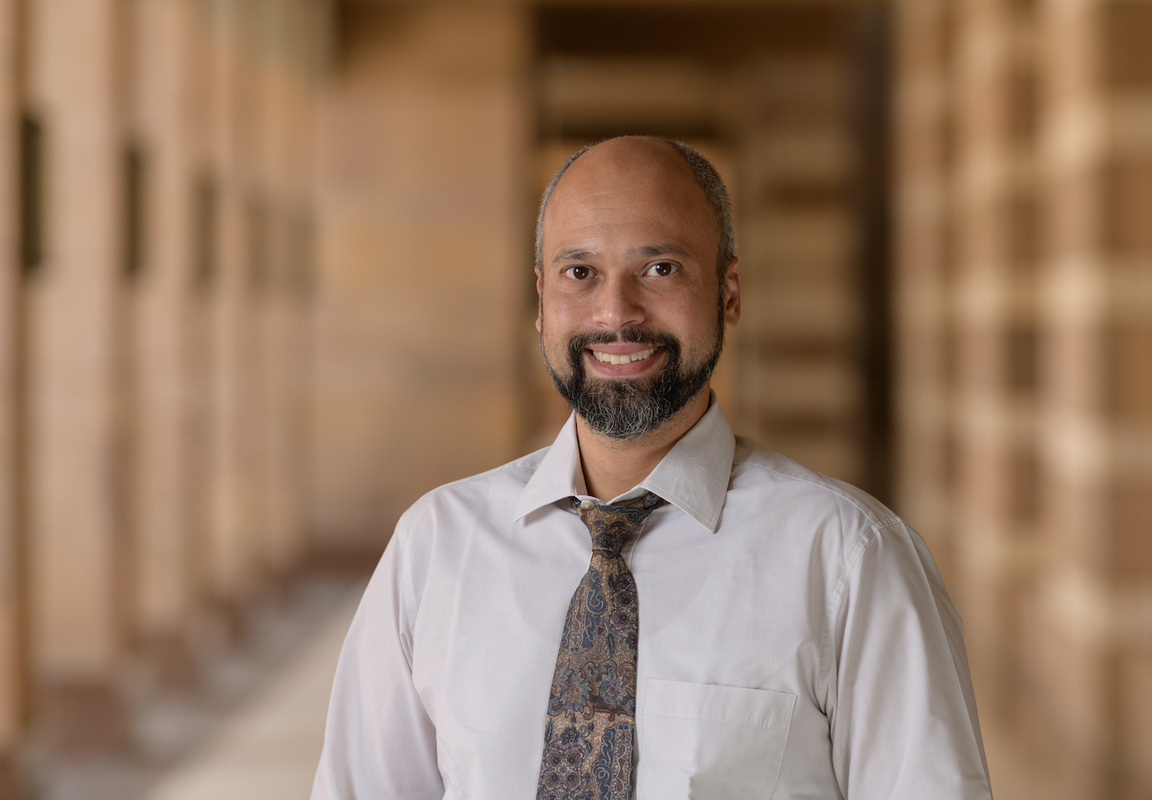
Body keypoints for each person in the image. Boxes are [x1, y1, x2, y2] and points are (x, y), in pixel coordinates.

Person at [310, 136, 993, 799]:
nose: (616, 313)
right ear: (541, 300)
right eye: (581, 273)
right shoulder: (435, 549)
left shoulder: (848, 559)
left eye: (660, 269)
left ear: (728, 292)